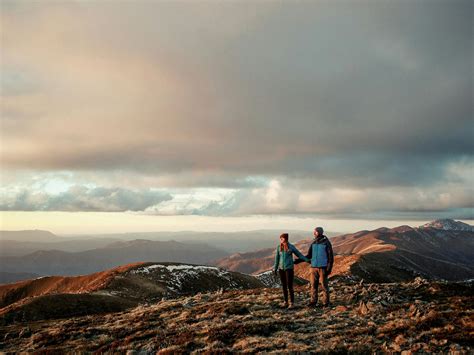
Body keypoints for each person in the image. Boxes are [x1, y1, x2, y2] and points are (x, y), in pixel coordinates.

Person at [273, 233, 309, 309]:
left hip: (289, 268)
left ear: (285, 239)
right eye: (280, 239)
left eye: (282, 238)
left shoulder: (291, 247)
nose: (280, 240)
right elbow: (277, 259)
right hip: (281, 269)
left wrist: (307, 260)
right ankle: (285, 302)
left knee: (290, 286)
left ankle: (292, 303)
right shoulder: (279, 247)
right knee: (284, 286)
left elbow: (299, 255)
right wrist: (275, 269)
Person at [304, 226, 334, 308]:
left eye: (315, 232)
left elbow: (330, 256)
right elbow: (309, 255)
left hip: (323, 267)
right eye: (314, 232)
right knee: (313, 285)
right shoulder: (313, 243)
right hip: (313, 267)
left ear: (320, 232)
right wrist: (300, 259)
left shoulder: (326, 243)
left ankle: (326, 302)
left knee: (324, 285)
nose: (314, 233)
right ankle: (313, 301)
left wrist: (329, 268)